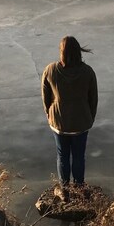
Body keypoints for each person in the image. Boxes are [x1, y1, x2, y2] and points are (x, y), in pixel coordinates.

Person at [42, 36, 98, 201]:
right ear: (78, 51)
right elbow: (93, 99)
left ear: (62, 52)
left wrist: (50, 115)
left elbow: (46, 98)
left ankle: (64, 190)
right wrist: (89, 118)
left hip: (59, 123)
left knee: (62, 156)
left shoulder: (50, 70)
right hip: (81, 123)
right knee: (79, 156)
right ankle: (80, 188)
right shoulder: (88, 72)